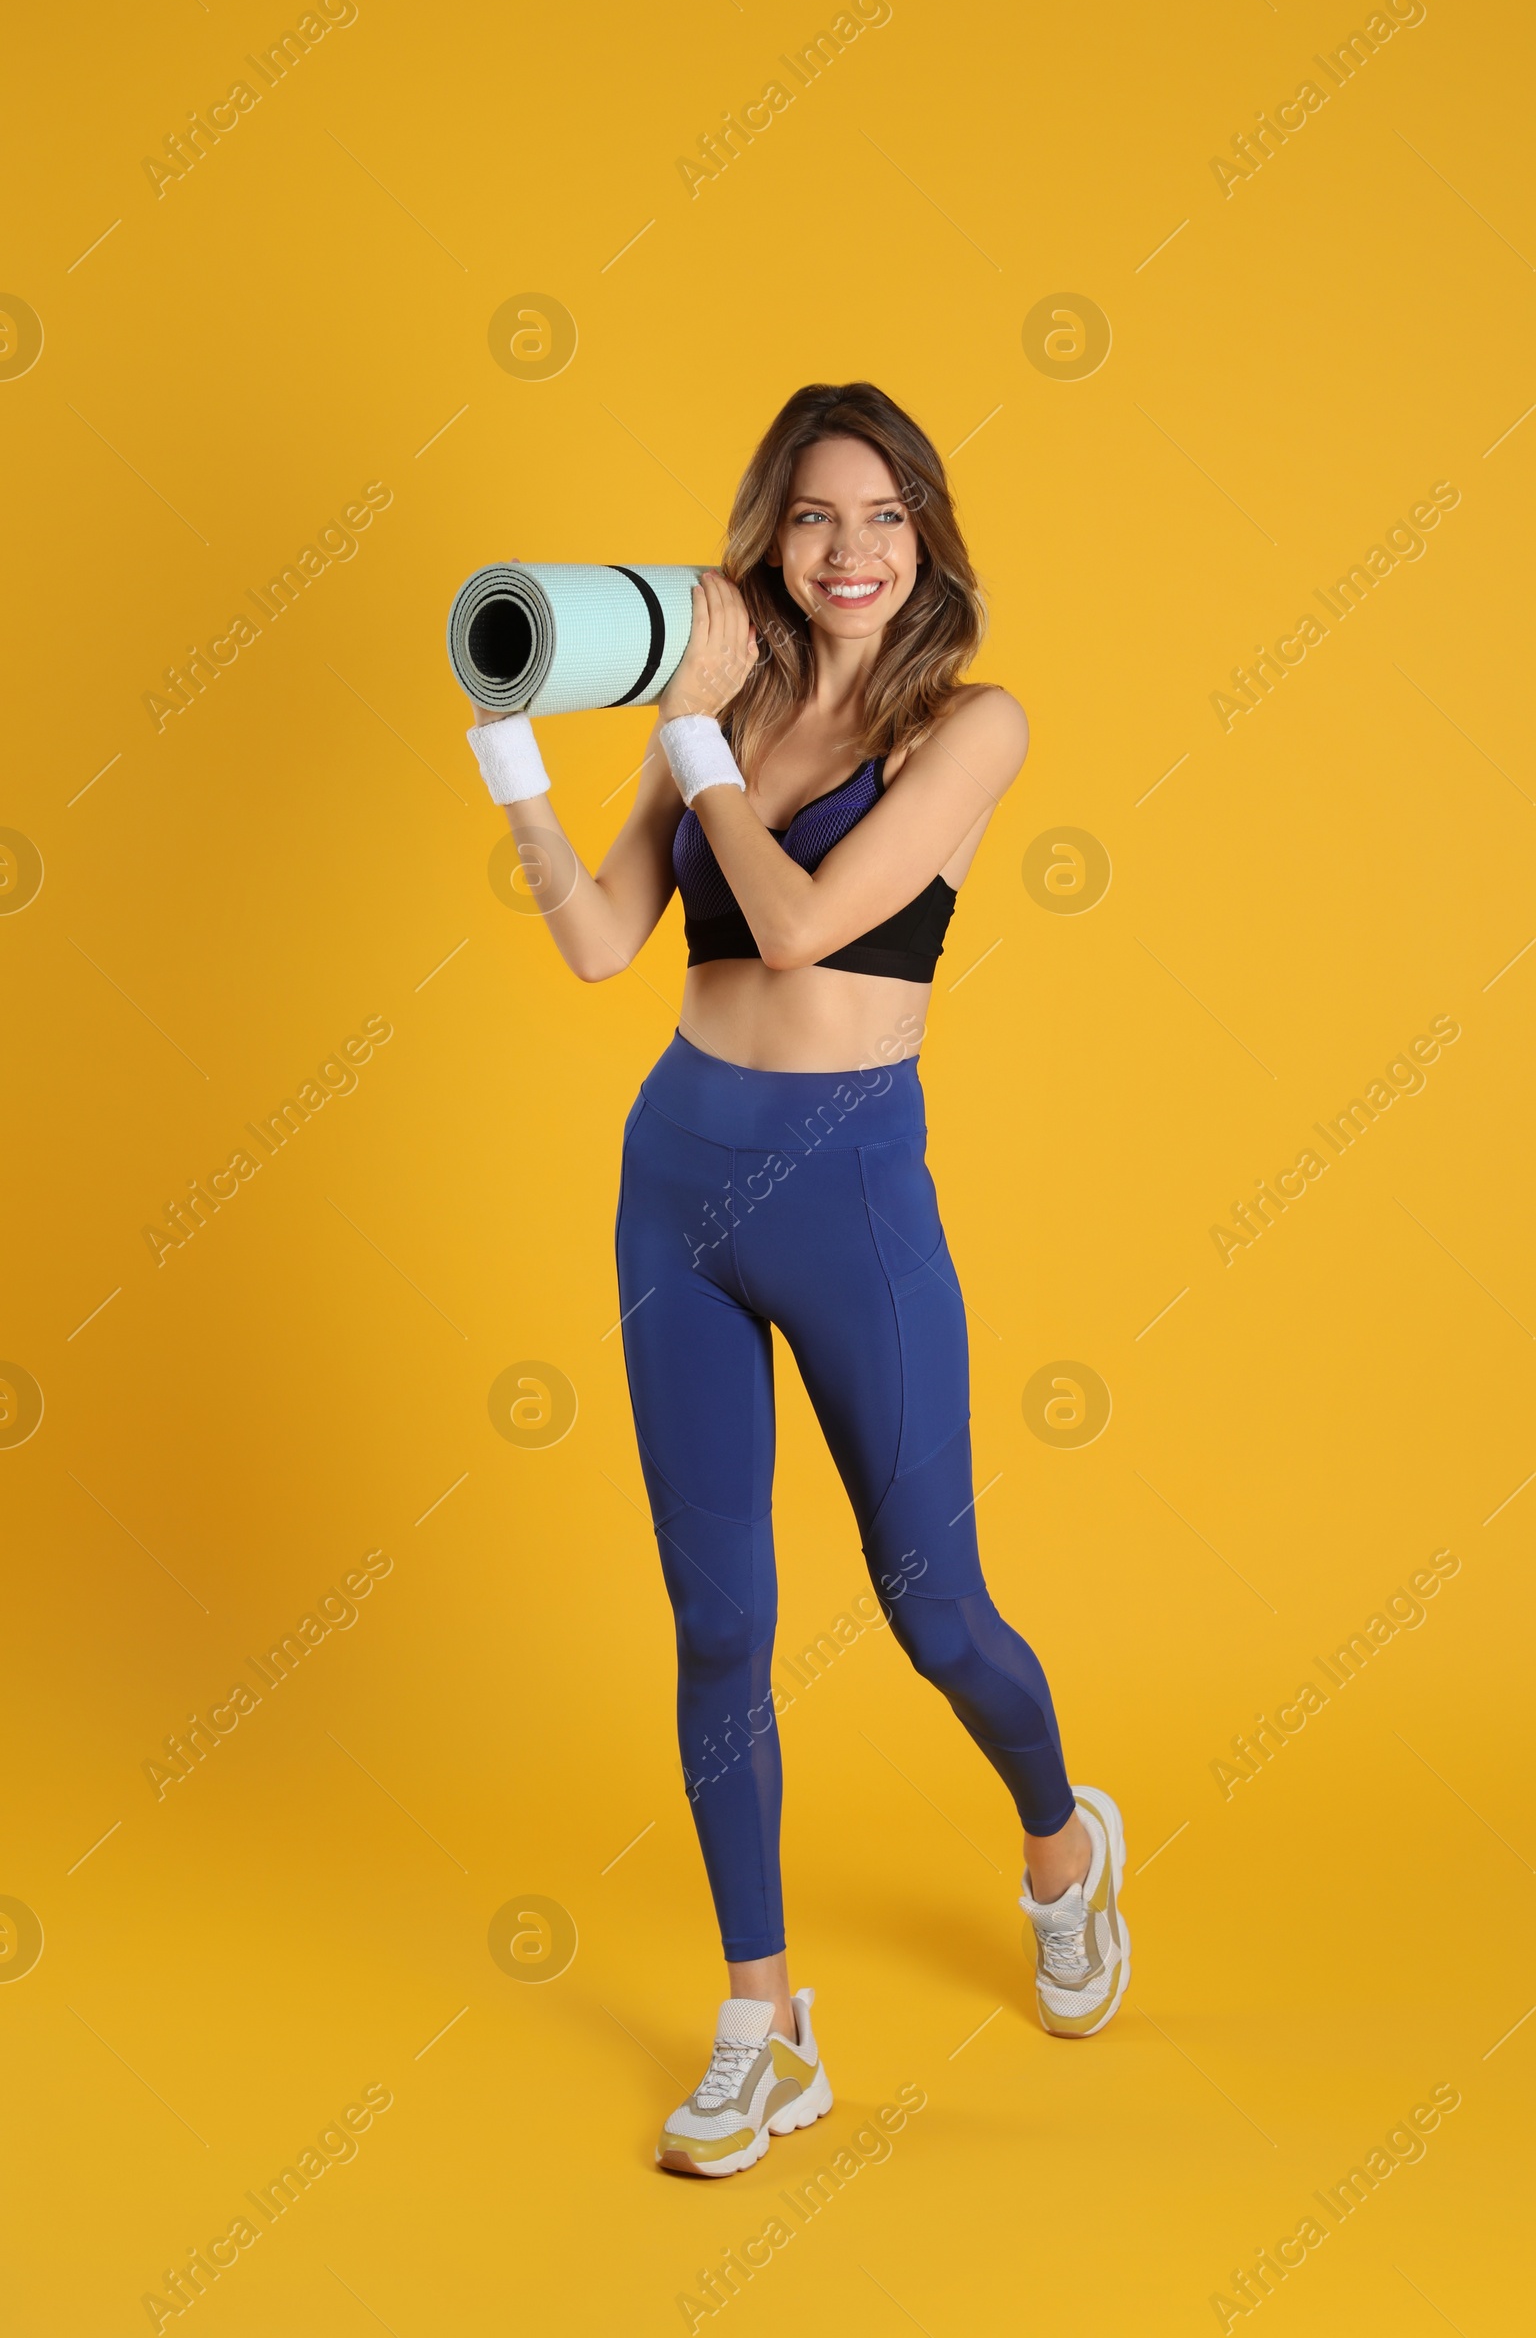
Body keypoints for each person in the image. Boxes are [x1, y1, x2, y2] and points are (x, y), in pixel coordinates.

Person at [462, 382, 1128, 2178]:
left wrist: (693, 752)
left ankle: (1062, 1843)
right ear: (770, 537)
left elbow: (811, 924)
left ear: (928, 542)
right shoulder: (722, 705)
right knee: (720, 1619)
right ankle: (766, 2020)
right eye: (820, 517)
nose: (853, 551)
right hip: (672, 1179)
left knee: (936, 1615)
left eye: (889, 515)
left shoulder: (969, 732)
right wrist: (508, 747)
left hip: (847, 1186)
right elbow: (609, 945)